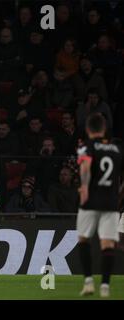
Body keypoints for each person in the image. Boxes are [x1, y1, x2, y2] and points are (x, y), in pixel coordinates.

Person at [76, 113, 122, 298]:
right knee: (107, 244)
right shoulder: (117, 149)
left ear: (88, 129)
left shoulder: (86, 146)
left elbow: (85, 167)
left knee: (84, 239)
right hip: (111, 202)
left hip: (90, 201)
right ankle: (105, 285)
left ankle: (88, 281)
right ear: (104, 129)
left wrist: (85, 187)